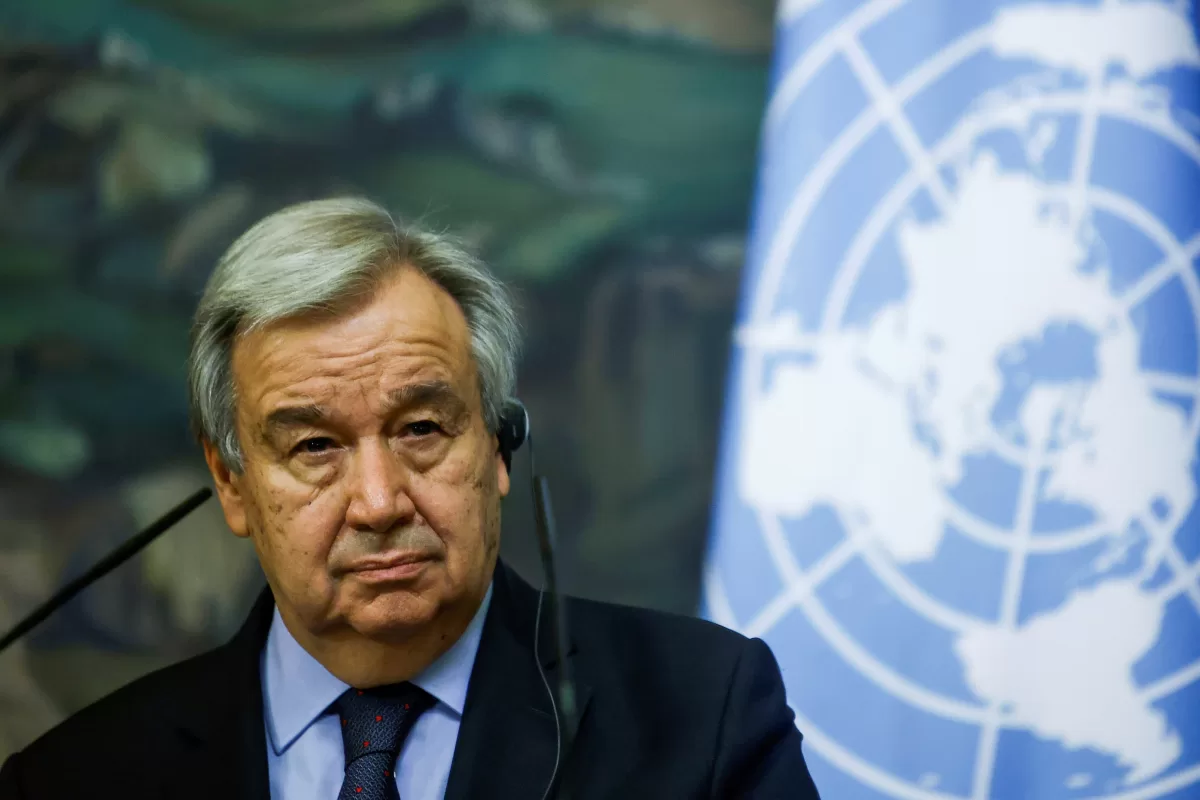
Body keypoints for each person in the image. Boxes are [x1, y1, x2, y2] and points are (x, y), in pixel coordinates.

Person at [0, 198, 821, 799]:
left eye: (422, 429)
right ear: (232, 482)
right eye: (315, 446)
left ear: (497, 445)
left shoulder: (702, 713)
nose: (379, 502)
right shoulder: (75, 781)